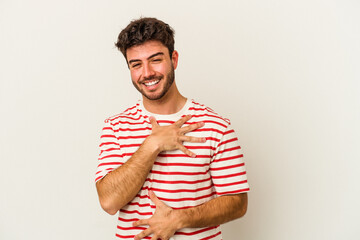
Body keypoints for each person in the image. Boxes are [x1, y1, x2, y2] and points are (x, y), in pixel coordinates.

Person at [95, 17, 250, 240]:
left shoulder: (216, 126)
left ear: (173, 59)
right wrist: (152, 145)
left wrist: (179, 218)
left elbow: (237, 202)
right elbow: (109, 202)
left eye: (155, 60)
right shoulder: (116, 127)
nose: (147, 73)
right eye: (136, 64)